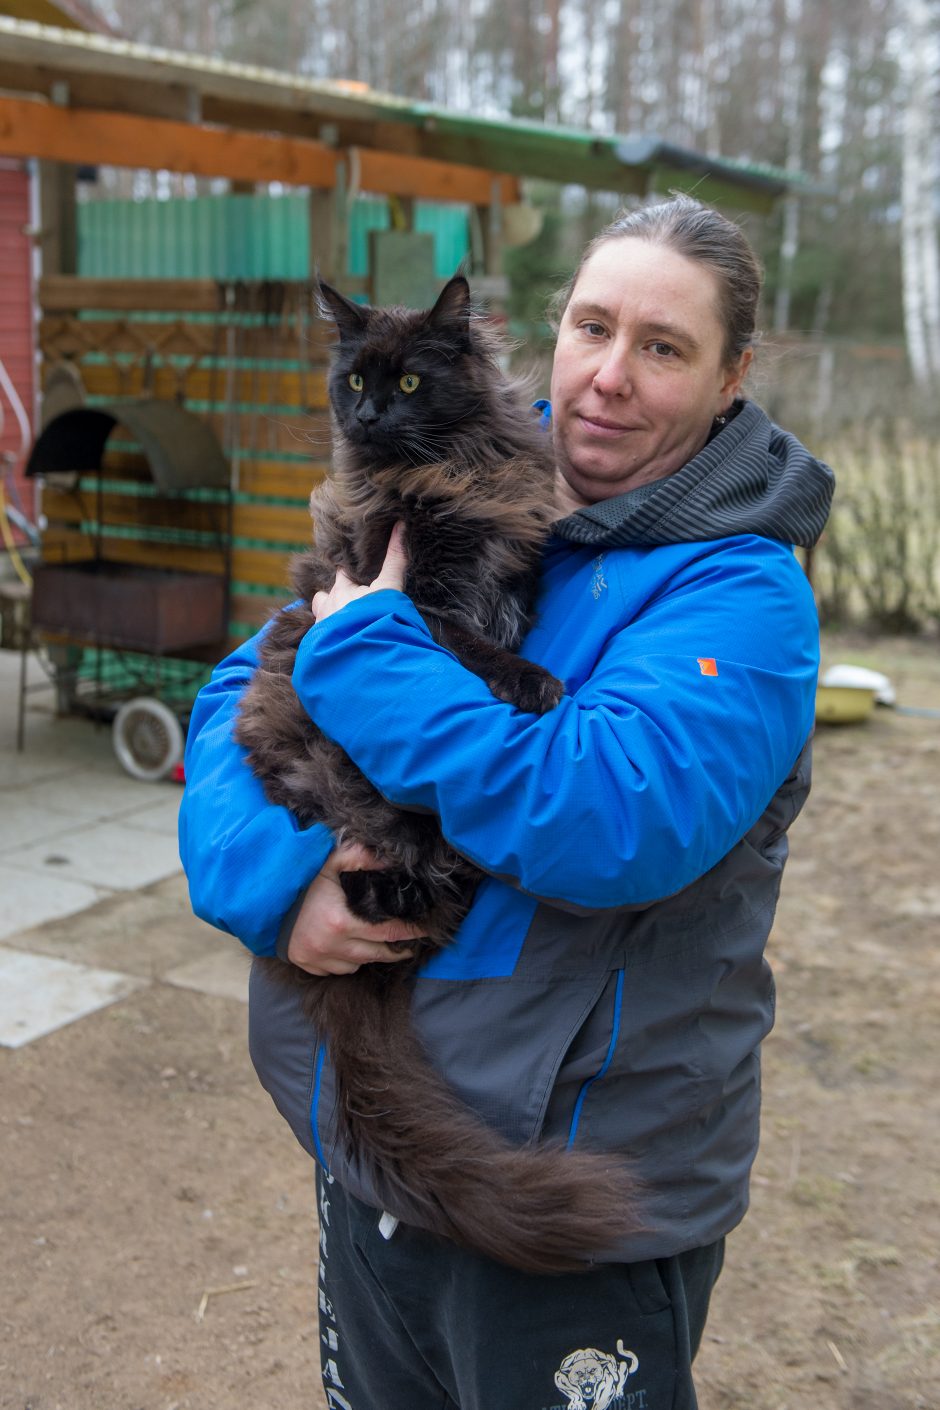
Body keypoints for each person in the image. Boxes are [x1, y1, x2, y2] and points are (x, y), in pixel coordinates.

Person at [179, 194, 834, 1410]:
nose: (608, 378)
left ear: (732, 375)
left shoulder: (737, 590)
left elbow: (603, 816)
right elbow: (243, 685)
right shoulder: (469, 464)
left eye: (663, 347)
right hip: (369, 1141)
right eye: (593, 327)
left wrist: (367, 651)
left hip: (560, 1186)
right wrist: (273, 881)